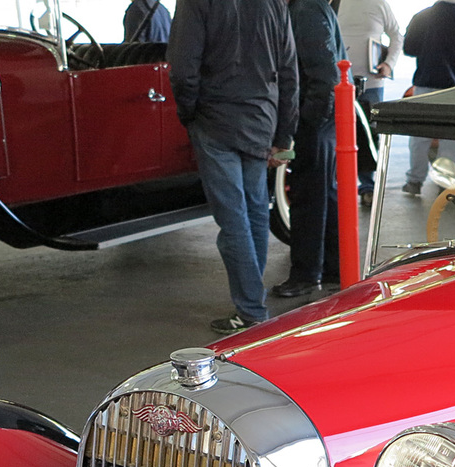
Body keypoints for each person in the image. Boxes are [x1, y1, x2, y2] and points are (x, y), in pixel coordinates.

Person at [168, 0, 299, 334]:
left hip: (215, 120)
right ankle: (253, 299)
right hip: (260, 118)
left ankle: (252, 309)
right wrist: (284, 131)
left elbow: (183, 68)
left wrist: (189, 115)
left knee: (233, 219)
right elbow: (288, 69)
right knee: (255, 209)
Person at [274, 0, 346, 298]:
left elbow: (323, 74)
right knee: (324, 195)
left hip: (317, 120)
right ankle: (332, 268)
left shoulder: (304, 11)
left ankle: (305, 275)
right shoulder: (314, 7)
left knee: (308, 197)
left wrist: (307, 121)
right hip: (327, 118)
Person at [400, 0, 455, 196]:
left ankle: (414, 181)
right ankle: (445, 183)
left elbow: (409, 48)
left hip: (424, 84)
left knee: (419, 136)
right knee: (449, 138)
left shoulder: (421, 17)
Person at [337, 0, 401, 199]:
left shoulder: (379, 3)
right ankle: (338, 185)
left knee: (370, 135)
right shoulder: (335, 3)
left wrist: (389, 64)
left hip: (372, 84)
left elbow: (397, 36)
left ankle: (368, 187)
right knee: (337, 133)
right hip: (339, 83)